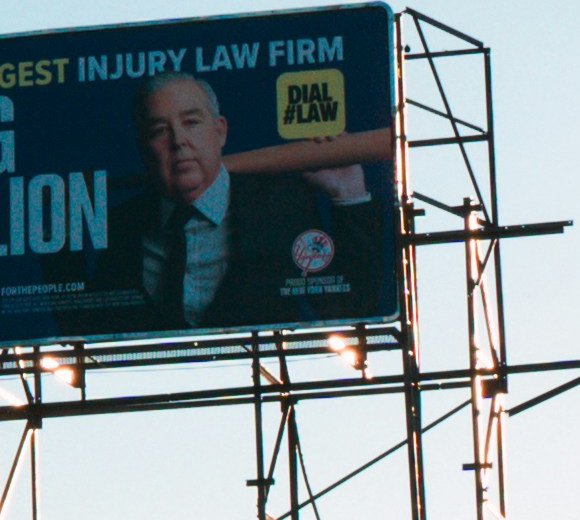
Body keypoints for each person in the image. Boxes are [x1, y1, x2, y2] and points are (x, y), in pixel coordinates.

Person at [93, 69, 397, 329]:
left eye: (192, 123)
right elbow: (89, 324)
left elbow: (351, 307)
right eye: (160, 130)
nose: (178, 141)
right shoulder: (118, 228)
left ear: (220, 132)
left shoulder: (280, 207)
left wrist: (349, 195)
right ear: (144, 149)